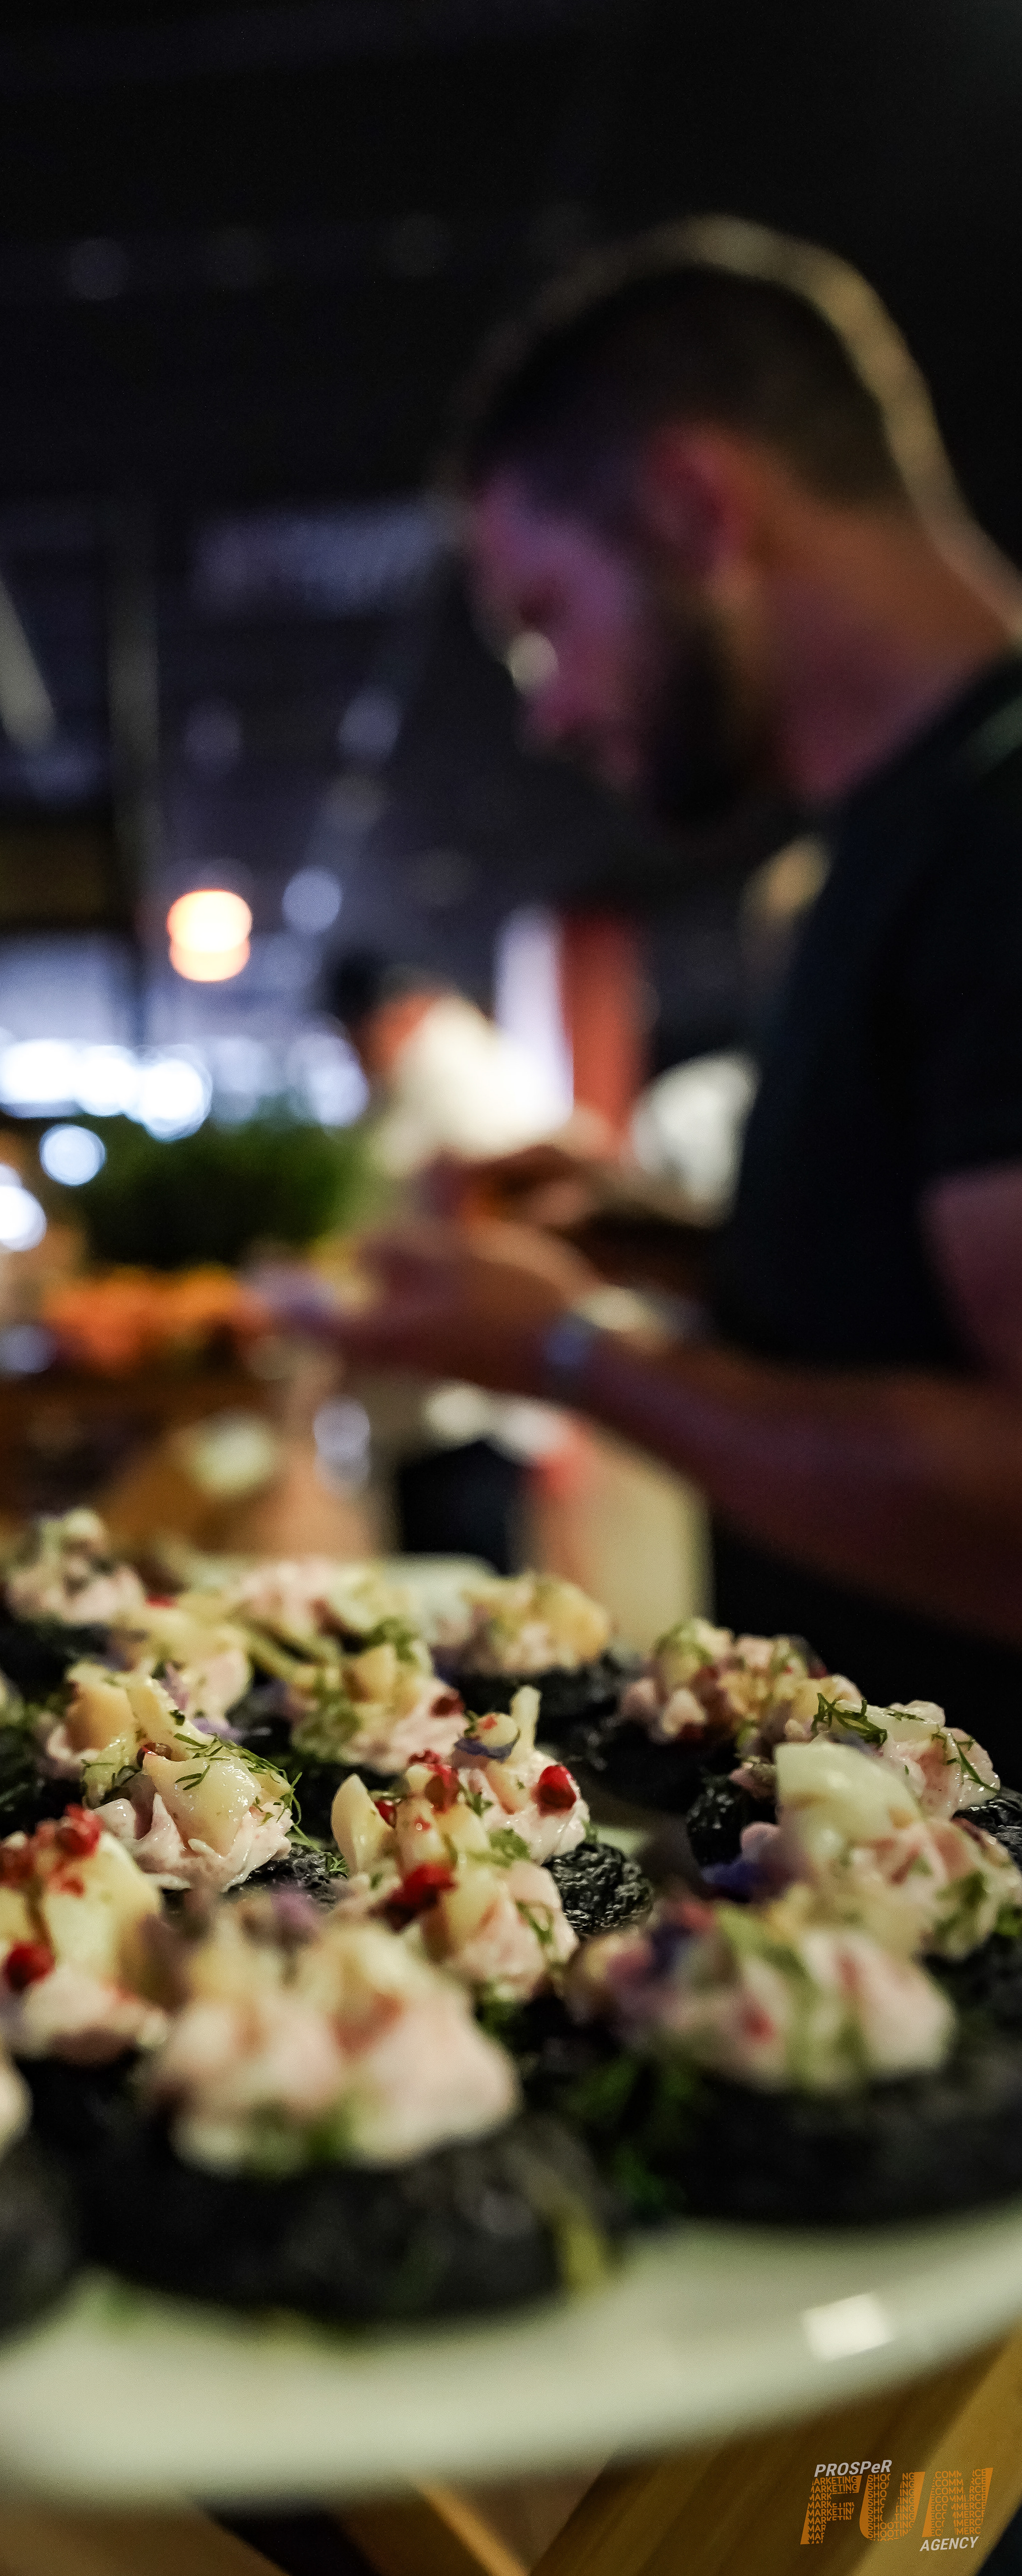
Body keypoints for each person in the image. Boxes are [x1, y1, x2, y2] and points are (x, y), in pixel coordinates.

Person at [314, 216, 1022, 1759]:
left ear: (697, 511)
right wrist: (627, 1229)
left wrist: (568, 1350)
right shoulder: (886, 847)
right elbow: (902, 1303)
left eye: (543, 622)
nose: (549, 712)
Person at [325, 949, 570, 1571]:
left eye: (355, 1037)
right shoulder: (426, 1078)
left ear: (397, 1013)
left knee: (466, 1597)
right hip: (431, 1395)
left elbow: (498, 1209)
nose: (356, 1056)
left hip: (463, 1403)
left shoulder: (458, 1071)